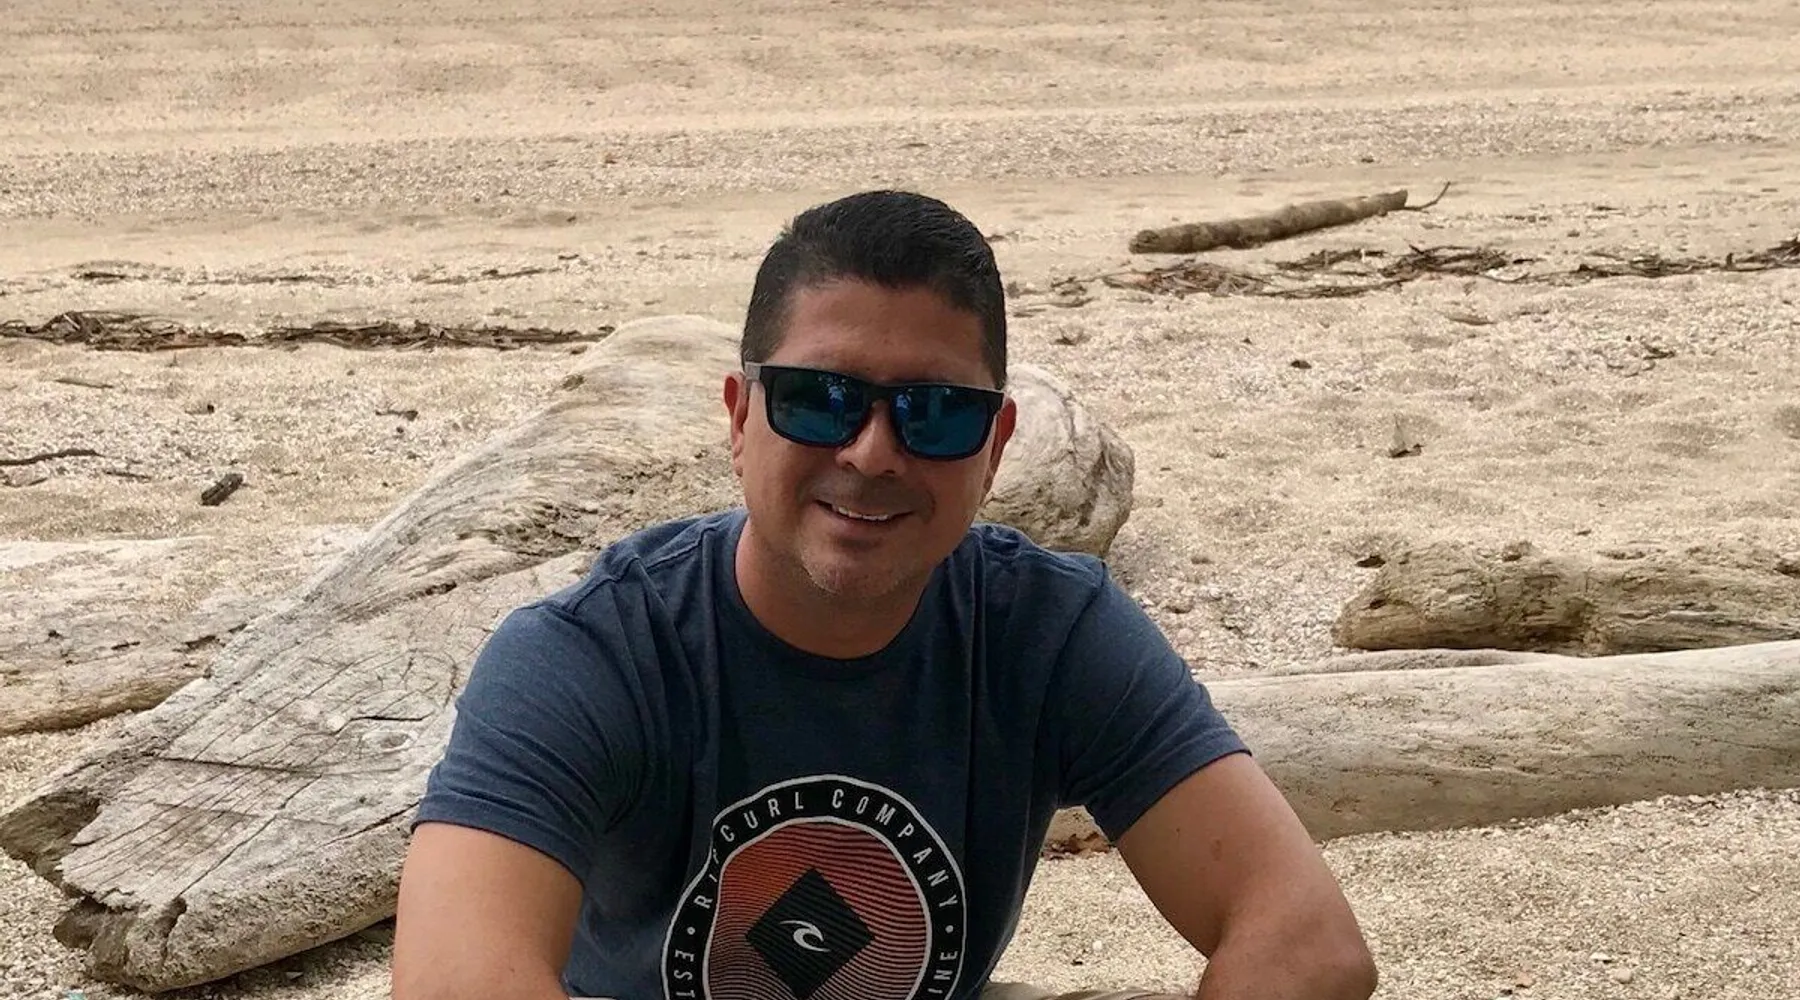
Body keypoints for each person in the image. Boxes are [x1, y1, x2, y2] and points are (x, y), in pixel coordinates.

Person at [391, 190, 1377, 1000]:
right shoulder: (595, 653)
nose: (872, 453)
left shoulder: (1048, 634)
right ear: (739, 419)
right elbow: (451, 982)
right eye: (819, 399)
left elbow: (1308, 944)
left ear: (995, 449)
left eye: (936, 414)